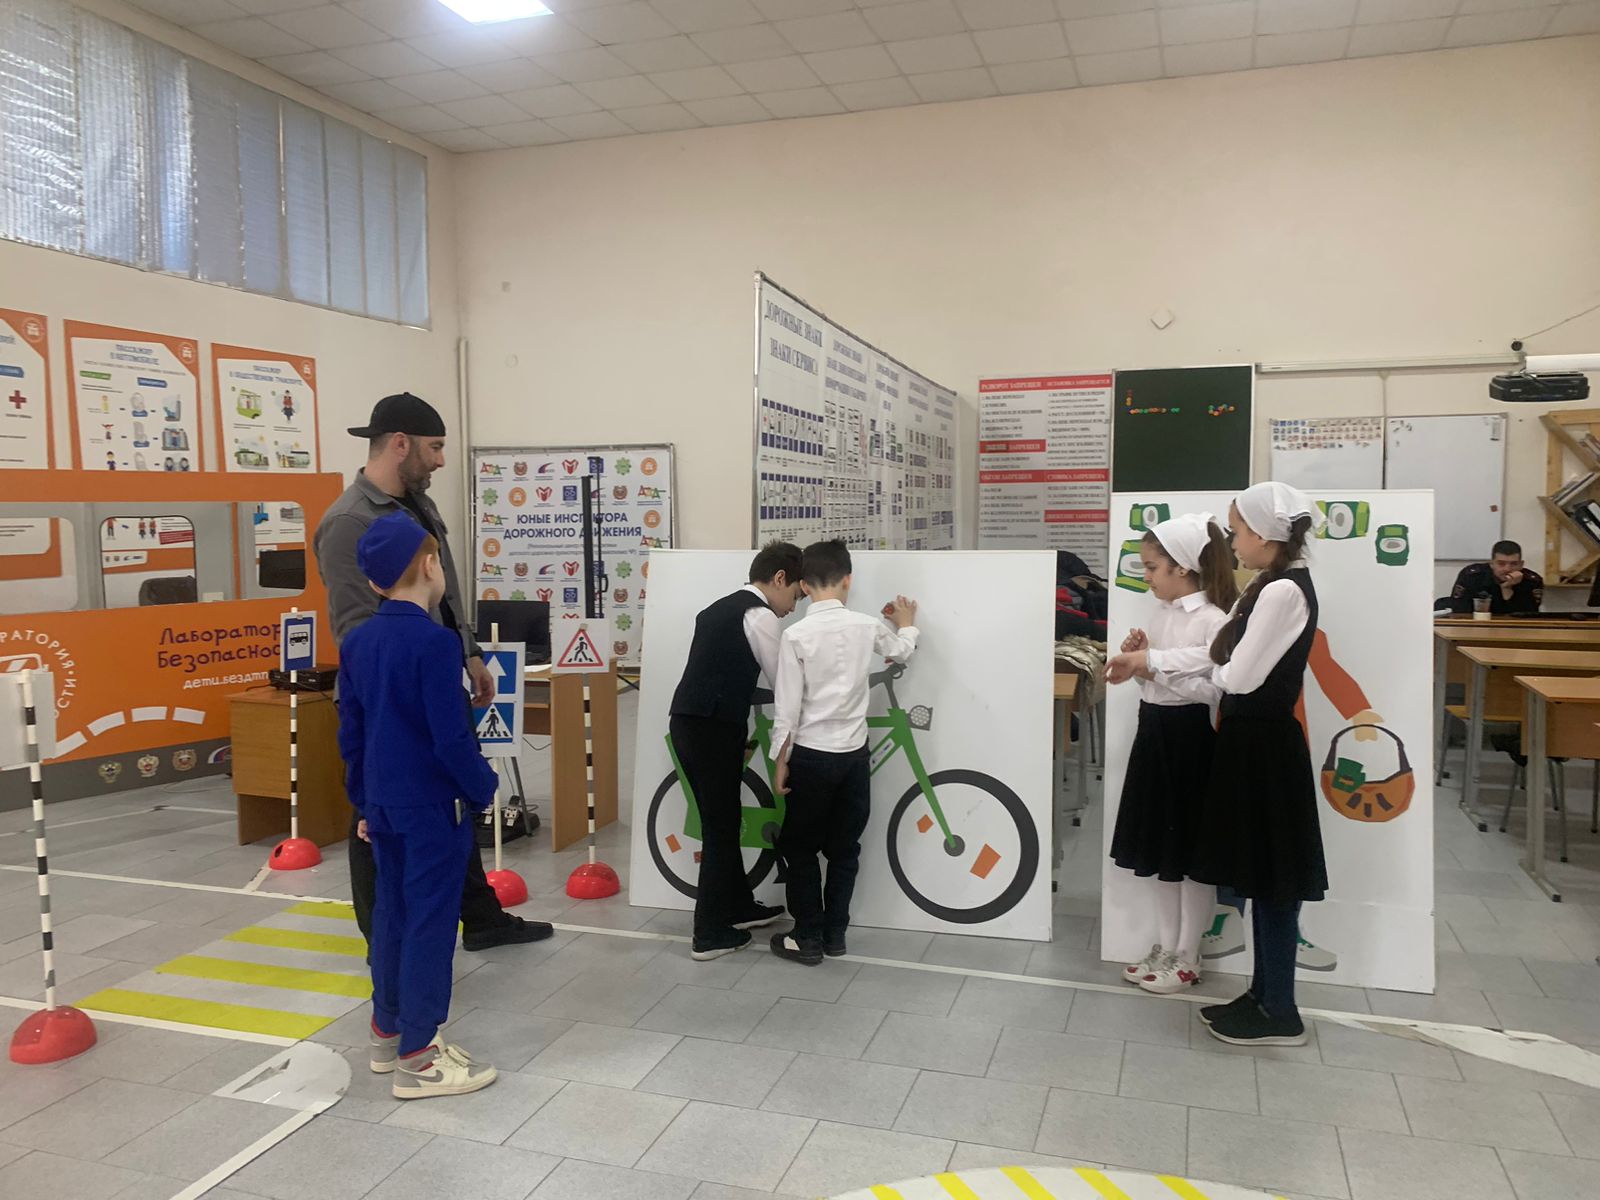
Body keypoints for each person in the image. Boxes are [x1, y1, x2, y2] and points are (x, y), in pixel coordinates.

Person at [313, 392, 550, 953]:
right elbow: (356, 629)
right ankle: (383, 940)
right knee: (376, 816)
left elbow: (443, 591)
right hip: (388, 698)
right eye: (435, 447)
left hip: (437, 673)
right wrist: (414, 690)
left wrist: (468, 653)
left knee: (449, 800)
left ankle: (482, 920)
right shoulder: (348, 521)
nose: (442, 460)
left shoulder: (418, 504)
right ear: (400, 444)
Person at [1107, 482, 1325, 1046]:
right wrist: (1156, 662)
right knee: (1263, 879)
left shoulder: (1282, 590)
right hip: (1250, 741)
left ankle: (1279, 1009)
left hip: (1265, 746)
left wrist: (1168, 666)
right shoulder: (1270, 584)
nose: (1231, 540)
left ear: (1264, 534)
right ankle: (1265, 996)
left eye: (1238, 529)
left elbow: (1236, 675)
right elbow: (1218, 659)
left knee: (1274, 881)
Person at [337, 513, 498, 1098]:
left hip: (382, 803)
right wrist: (482, 787)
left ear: (374, 582)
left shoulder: (358, 642)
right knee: (431, 921)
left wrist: (362, 803)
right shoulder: (435, 643)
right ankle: (419, 1057)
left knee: (392, 914)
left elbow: (351, 733)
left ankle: (386, 1030)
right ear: (431, 566)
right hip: (433, 806)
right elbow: (450, 737)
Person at [768, 540, 919, 965]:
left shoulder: (795, 635)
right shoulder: (866, 626)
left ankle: (806, 937)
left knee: (800, 848)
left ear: (803, 585)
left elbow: (787, 709)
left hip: (811, 757)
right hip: (853, 756)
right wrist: (906, 624)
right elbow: (901, 650)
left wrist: (780, 762)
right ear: (848, 580)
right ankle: (835, 935)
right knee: (845, 849)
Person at [1104, 513, 1236, 994]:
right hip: (1154, 732)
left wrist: (1153, 669)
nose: (1147, 577)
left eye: (1152, 567)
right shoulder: (1161, 615)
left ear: (1182, 567)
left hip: (1191, 740)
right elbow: (1155, 682)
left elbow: (1215, 692)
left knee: (1190, 854)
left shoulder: (1215, 620)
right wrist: (1139, 669)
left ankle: (1188, 954)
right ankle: (1165, 946)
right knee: (1162, 848)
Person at [668, 541, 804, 961]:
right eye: (795, 594)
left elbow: (720, 672)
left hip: (693, 722)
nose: (793, 607)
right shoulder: (760, 616)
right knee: (720, 826)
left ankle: (738, 907)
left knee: (724, 819)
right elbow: (784, 681)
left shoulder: (716, 609)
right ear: (779, 578)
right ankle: (709, 934)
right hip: (711, 728)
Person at [1447, 540, 1543, 615]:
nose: (1507, 569)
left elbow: (1529, 616)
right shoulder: (1472, 576)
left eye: (1514, 564)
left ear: (1521, 564)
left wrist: (1507, 589)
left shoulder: (1532, 581)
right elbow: (1459, 611)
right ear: (1491, 564)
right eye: (1501, 563)